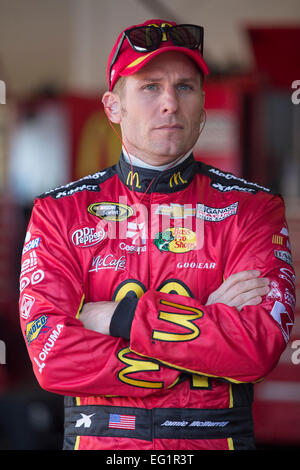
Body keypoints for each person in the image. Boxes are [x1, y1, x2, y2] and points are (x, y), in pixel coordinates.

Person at [19, 19, 295, 451]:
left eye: (185, 87)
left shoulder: (252, 210)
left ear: (203, 105)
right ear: (113, 107)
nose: (170, 103)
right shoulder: (59, 213)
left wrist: (118, 319)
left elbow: (258, 346)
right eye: (150, 87)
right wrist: (205, 332)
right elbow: (51, 357)